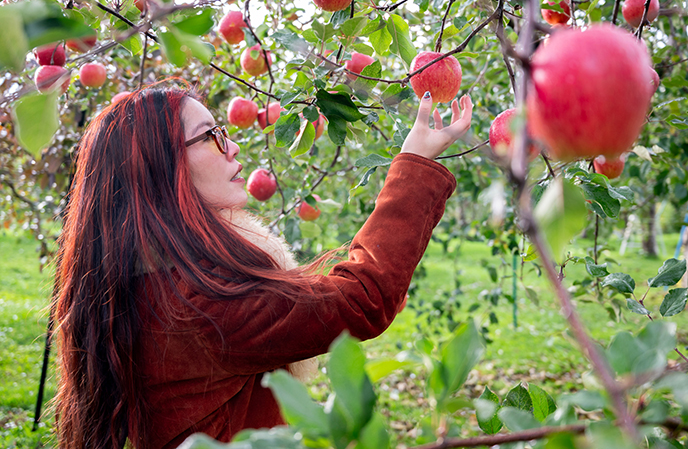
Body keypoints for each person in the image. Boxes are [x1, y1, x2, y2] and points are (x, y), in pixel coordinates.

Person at [53, 80, 473, 449]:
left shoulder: (148, 281)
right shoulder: (198, 304)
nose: (233, 145)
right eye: (212, 136)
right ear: (165, 168)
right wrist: (414, 163)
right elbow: (362, 298)